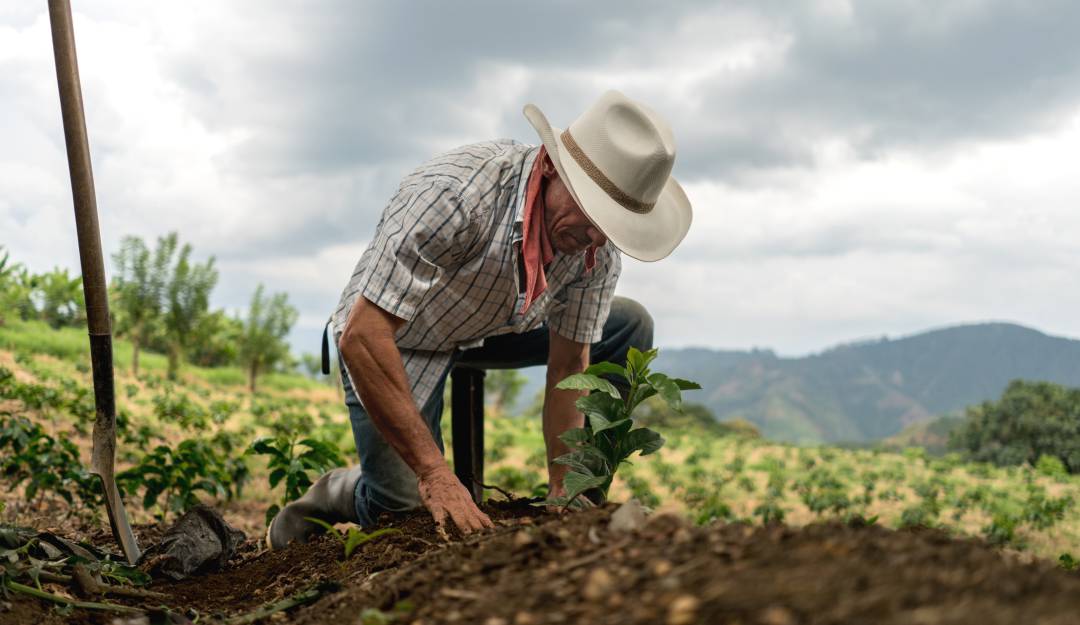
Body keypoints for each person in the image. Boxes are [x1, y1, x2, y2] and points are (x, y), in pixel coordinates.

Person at [267, 89, 692, 548]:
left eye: (610, 227)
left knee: (629, 324)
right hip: (399, 335)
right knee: (405, 510)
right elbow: (363, 335)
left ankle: (583, 501)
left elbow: (570, 365)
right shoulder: (455, 196)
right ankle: (338, 490)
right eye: (591, 214)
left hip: (495, 325)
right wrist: (434, 473)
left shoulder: (594, 247)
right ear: (551, 167)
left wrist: (564, 488)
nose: (595, 238)